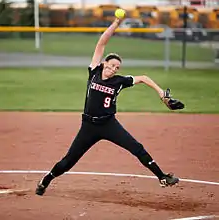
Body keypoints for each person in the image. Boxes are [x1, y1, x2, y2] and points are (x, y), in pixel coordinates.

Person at [35, 14, 181, 196]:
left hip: (109, 124)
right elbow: (101, 43)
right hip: (88, 126)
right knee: (68, 162)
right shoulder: (94, 71)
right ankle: (45, 181)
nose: (114, 69)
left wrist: (162, 94)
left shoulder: (119, 81)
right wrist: (117, 23)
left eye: (117, 68)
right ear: (105, 63)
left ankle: (162, 177)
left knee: (137, 148)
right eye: (112, 65)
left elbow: (143, 78)